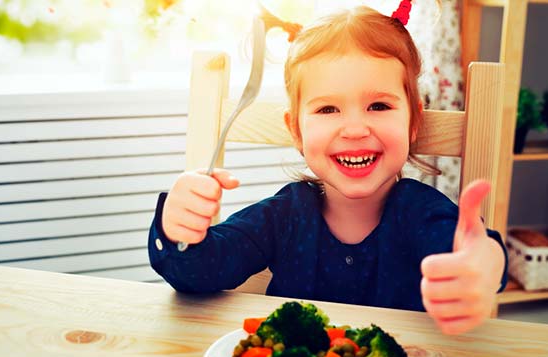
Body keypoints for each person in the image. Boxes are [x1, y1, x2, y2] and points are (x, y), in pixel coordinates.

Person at [148, 1, 507, 335]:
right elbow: (198, 272)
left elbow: (470, 255)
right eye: (327, 109)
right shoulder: (284, 214)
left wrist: (483, 263)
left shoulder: (420, 212)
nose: (354, 129)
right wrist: (178, 230)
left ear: (413, 122)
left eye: (379, 106)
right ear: (296, 131)